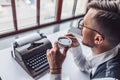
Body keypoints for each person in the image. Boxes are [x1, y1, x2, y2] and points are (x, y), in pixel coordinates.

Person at [46, 0, 120, 80]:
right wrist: (76, 47)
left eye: (84, 25)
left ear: (98, 39)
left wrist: (55, 70)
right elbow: (85, 65)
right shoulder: (109, 50)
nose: (80, 27)